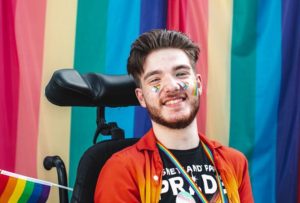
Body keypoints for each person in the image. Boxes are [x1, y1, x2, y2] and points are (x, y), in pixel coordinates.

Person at [94, 29, 254, 203]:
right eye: (155, 79)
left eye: (181, 74)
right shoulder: (122, 170)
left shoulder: (234, 163)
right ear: (141, 97)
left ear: (198, 84)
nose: (171, 87)